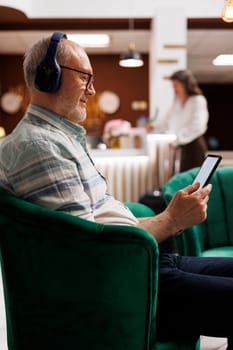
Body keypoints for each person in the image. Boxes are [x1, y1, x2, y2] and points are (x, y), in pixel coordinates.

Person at [0, 32, 233, 348]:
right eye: (86, 77)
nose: (92, 89)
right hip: (124, 279)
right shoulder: (41, 146)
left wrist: (168, 218)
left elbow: (98, 229)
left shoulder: (57, 139)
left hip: (136, 261)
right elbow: (90, 252)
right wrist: (172, 220)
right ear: (48, 75)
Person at [156, 69, 209, 172]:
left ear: (185, 84)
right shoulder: (177, 102)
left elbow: (196, 126)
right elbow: (167, 120)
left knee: (194, 178)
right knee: (181, 178)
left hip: (194, 145)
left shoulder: (197, 101)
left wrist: (178, 140)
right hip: (181, 146)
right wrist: (155, 127)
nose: (174, 88)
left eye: (176, 85)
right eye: (173, 85)